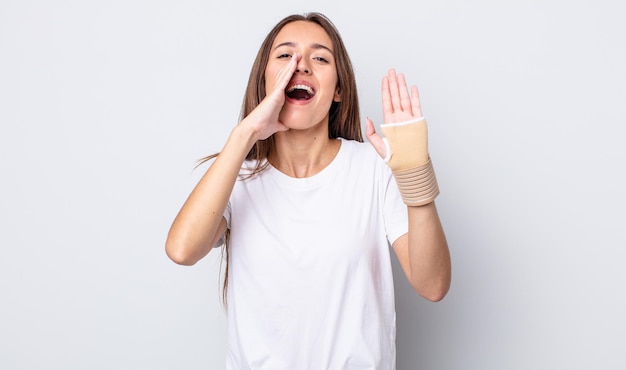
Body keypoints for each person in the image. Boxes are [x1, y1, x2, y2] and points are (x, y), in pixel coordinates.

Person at [165, 12, 451, 370]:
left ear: (338, 90)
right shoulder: (235, 176)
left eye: (319, 58)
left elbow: (433, 284)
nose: (300, 66)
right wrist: (245, 134)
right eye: (285, 56)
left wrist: (414, 174)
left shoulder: (375, 167)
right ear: (265, 79)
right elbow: (181, 250)